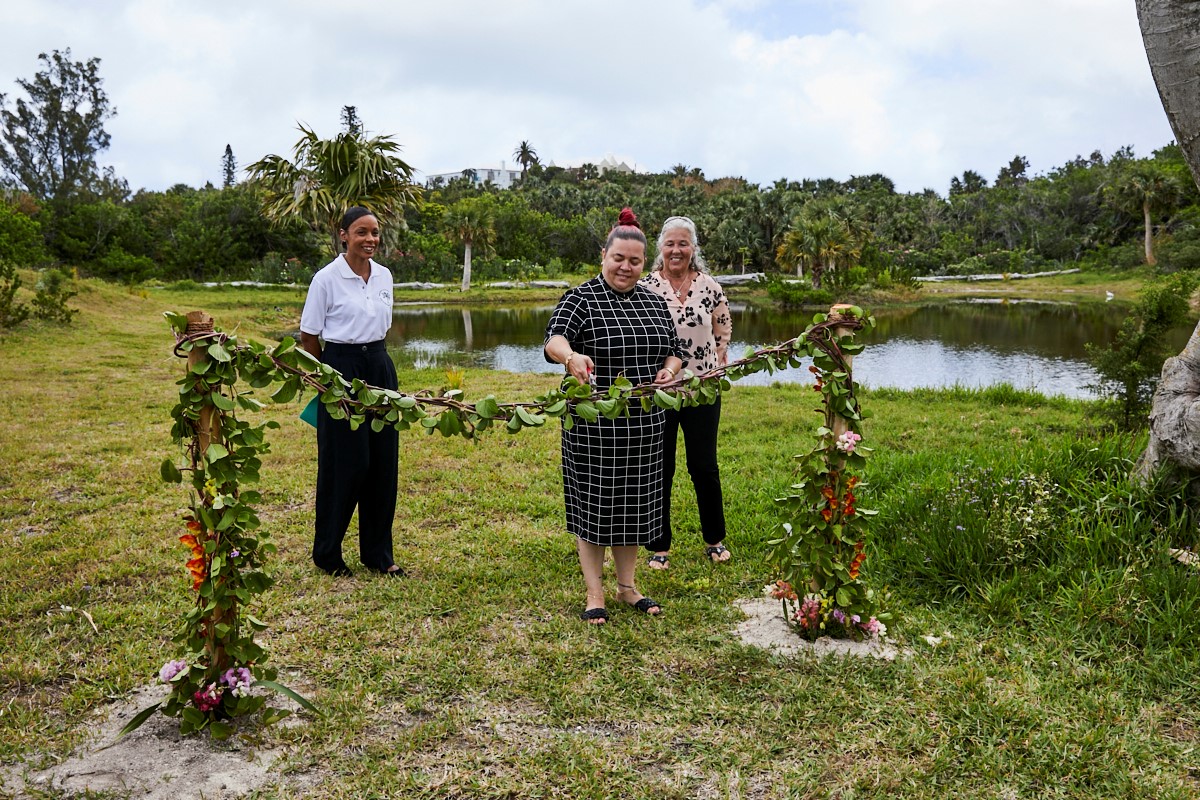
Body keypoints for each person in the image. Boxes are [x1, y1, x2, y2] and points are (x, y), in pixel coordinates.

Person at [544, 208, 685, 624]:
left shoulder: (654, 301)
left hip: (643, 423)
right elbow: (554, 338)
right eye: (618, 258)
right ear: (603, 256)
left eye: (635, 261)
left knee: (635, 506)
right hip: (593, 423)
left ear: (645, 263)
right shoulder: (581, 298)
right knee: (595, 507)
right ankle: (594, 593)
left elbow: (674, 349)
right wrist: (571, 357)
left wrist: (670, 371)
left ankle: (627, 587)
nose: (626, 267)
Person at [299, 206, 404, 578]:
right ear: (343, 234)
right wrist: (322, 378)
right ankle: (328, 553)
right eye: (361, 232)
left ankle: (378, 553)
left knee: (381, 462)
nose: (370, 239)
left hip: (378, 366)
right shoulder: (326, 279)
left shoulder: (385, 277)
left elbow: (383, 327)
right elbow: (309, 337)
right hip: (340, 369)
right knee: (346, 463)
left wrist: (376, 364)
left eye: (375, 232)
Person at [640, 215, 733, 569]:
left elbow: (723, 327)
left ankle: (714, 539)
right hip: (658, 391)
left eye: (683, 243)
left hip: (703, 390)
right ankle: (658, 546)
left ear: (693, 248)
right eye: (670, 243)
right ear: (660, 248)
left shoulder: (709, 286)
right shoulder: (646, 286)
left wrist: (719, 359)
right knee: (659, 467)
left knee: (704, 466)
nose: (676, 250)